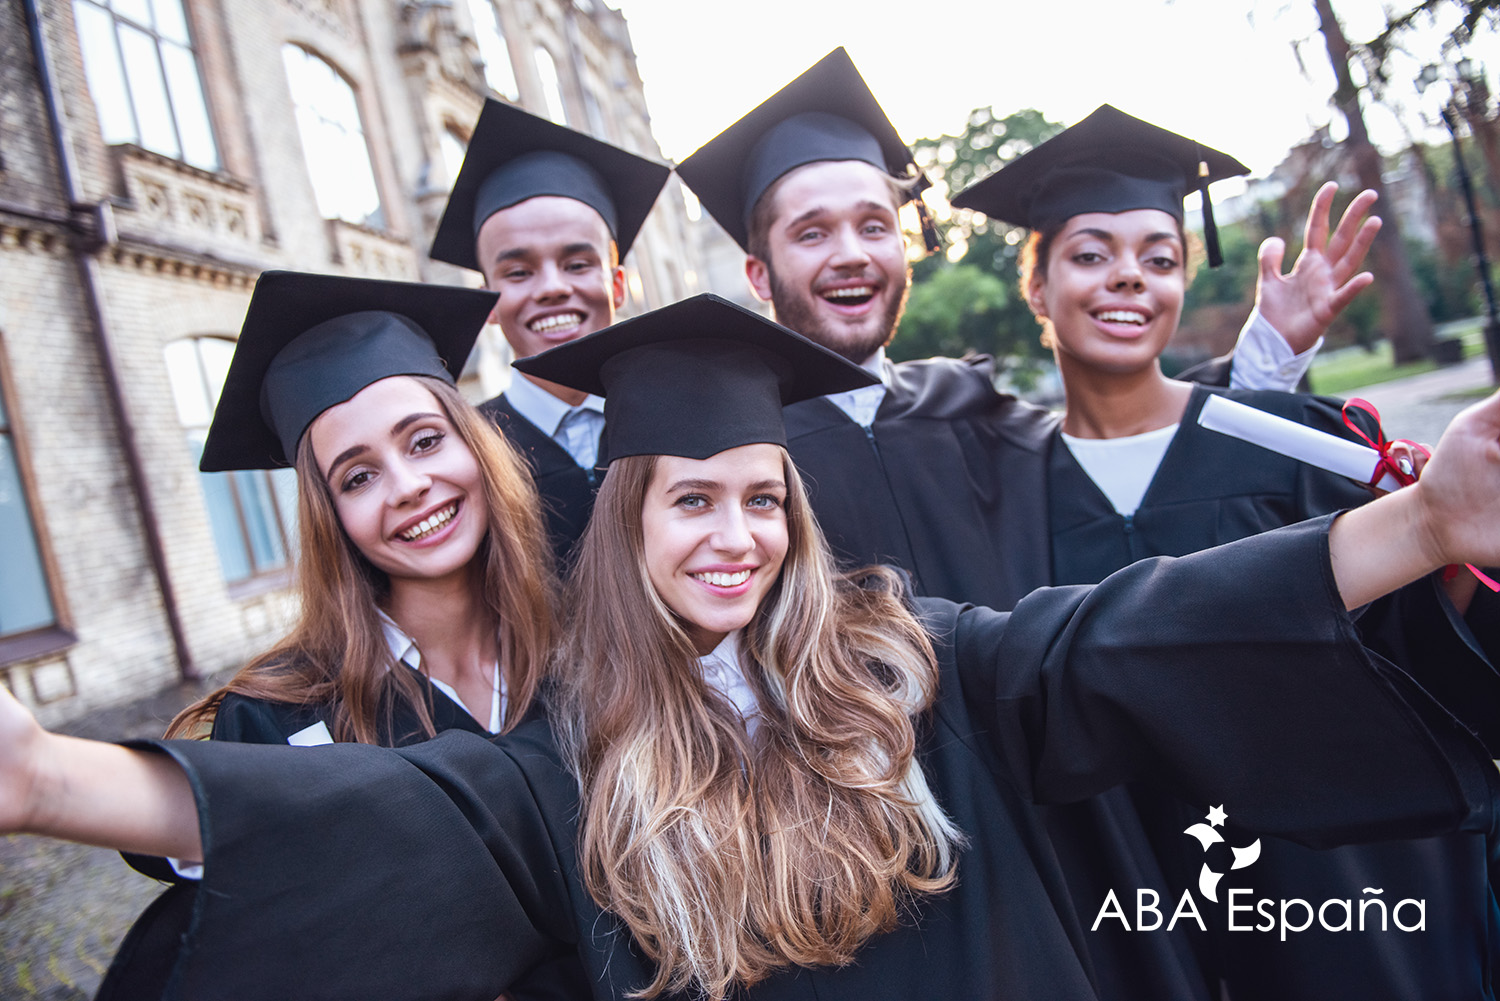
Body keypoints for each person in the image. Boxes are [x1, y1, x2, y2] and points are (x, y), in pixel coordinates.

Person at [4, 294, 1500, 1001]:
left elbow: (1125, 633)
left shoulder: (918, 660)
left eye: (759, 497)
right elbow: (387, 814)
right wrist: (51, 779)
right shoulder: (573, 759)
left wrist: (1422, 527)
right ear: (627, 525)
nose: (732, 533)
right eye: (689, 502)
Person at [949, 104, 1498, 1001]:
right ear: (1038, 287)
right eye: (1091, 254)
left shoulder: (1294, 441)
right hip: (1124, 909)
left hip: (1332, 897)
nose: (1128, 277)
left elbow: (1425, 646)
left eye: (1159, 258)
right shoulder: (995, 491)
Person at [675, 49, 1363, 610]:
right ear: (760, 276)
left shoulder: (968, 401)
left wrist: (1269, 361)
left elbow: (1134, 449)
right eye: (813, 231)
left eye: (875, 225)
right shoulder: (736, 452)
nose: (852, 252)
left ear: (904, 249)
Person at [97, 270, 585, 1001]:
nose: (408, 485)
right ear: (331, 518)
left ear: (475, 447)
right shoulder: (280, 716)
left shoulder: (586, 650)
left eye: (424, 441)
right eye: (357, 478)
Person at [430, 98, 670, 564]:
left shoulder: (680, 416)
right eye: (518, 273)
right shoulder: (466, 454)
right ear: (490, 303)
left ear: (617, 284)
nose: (553, 288)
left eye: (577, 264)